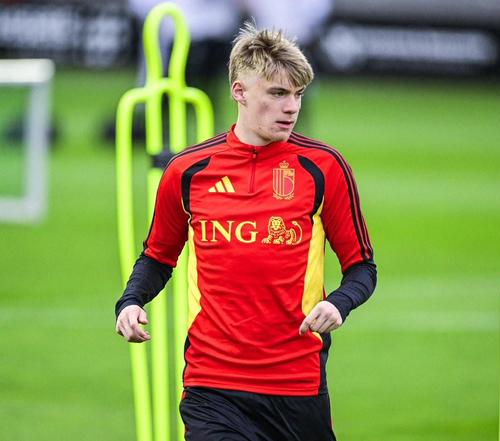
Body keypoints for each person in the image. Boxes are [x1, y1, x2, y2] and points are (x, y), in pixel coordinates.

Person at [114, 23, 377, 441]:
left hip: (296, 385)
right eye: (278, 93)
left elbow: (362, 267)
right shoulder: (187, 171)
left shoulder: (324, 167)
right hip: (211, 385)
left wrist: (339, 304)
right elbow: (158, 256)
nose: (291, 107)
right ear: (239, 91)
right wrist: (130, 301)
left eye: (298, 95)